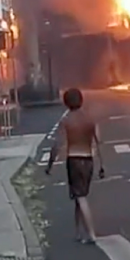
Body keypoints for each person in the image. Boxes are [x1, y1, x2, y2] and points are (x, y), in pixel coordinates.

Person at [46, 88, 104, 244]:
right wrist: (101, 166)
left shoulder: (66, 120)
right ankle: (78, 232)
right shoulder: (90, 118)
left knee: (80, 196)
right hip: (89, 160)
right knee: (78, 195)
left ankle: (92, 234)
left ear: (66, 102)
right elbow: (98, 141)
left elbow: (57, 144)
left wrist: (50, 165)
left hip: (74, 160)